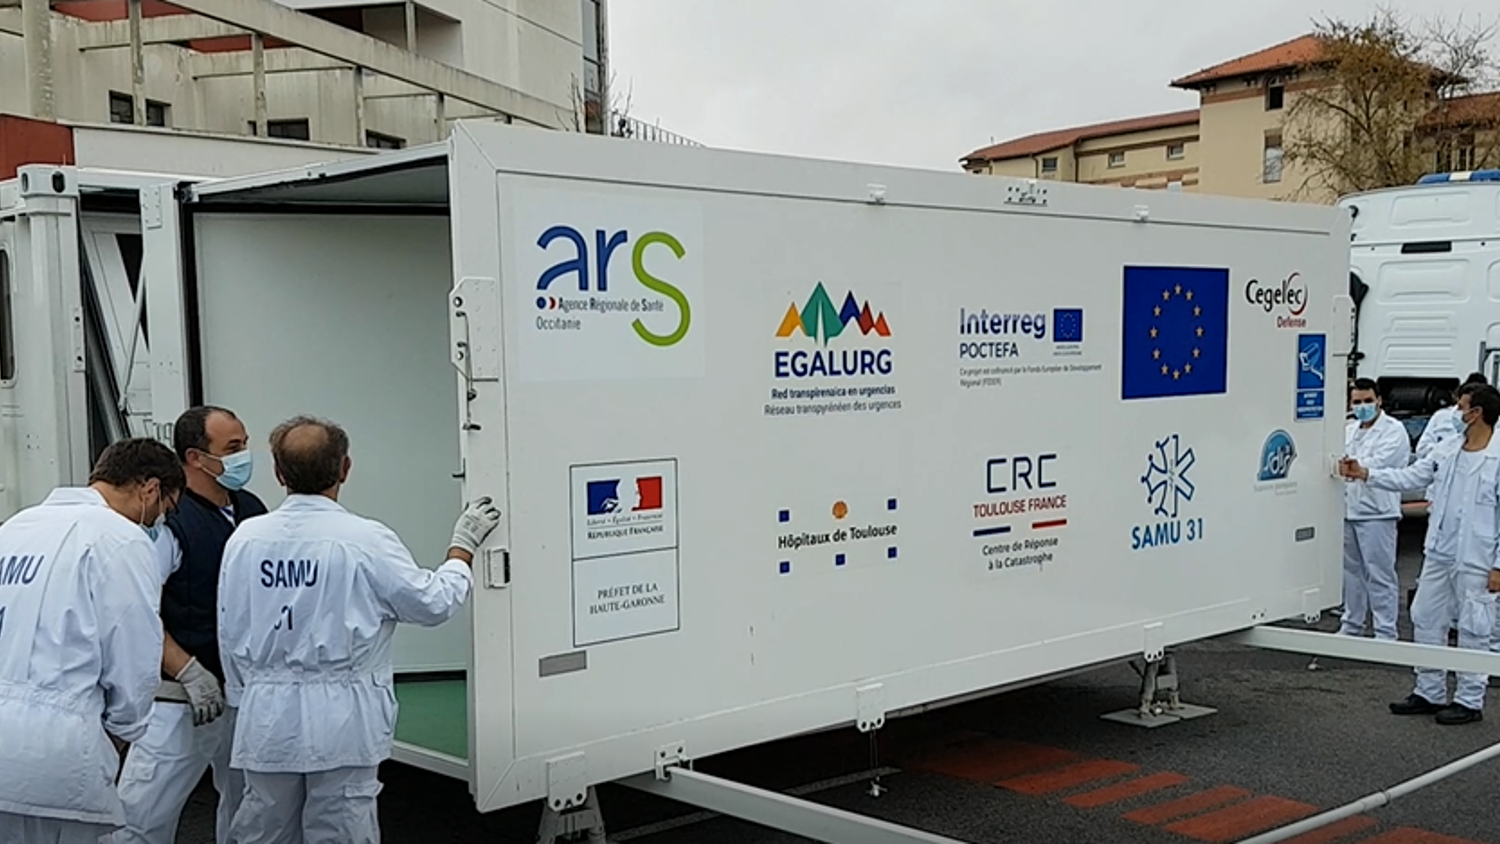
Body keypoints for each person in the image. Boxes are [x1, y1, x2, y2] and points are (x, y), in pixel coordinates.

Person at [218, 415, 502, 843]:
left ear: (278, 473)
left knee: (263, 830)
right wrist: (462, 548)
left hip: (266, 716)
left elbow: (230, 627)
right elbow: (432, 603)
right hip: (343, 718)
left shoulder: (245, 538)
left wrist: (247, 696)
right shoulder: (365, 539)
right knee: (342, 828)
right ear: (345, 468)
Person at [0, 438, 185, 843]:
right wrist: (123, 731)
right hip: (59, 751)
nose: (157, 520)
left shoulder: (16, 527)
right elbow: (135, 656)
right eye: (163, 509)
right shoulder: (121, 539)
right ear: (149, 488)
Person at [114, 407, 269, 844]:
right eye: (233, 448)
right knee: (141, 814)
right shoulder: (171, 525)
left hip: (241, 693)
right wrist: (187, 671)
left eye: (244, 444)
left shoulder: (251, 510)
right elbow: (137, 610)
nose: (244, 456)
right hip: (181, 701)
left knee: (248, 812)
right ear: (196, 458)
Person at [1339, 383, 1500, 725]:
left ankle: (1469, 699)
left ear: (1478, 414)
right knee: (1426, 616)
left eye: (1462, 408)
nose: (1457, 414)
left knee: (1473, 627)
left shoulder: (1497, 457)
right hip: (1440, 551)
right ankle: (1430, 690)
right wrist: (1366, 474)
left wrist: (1499, 566)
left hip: (1478, 556)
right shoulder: (1449, 449)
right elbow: (1412, 475)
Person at [1340, 379, 1411, 641]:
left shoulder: (1394, 430)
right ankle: (1352, 625)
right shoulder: (1349, 430)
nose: (1362, 406)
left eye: (1367, 400)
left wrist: (1352, 468)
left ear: (1379, 400)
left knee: (1380, 573)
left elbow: (1381, 463)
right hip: (1348, 509)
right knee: (1351, 572)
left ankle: (1385, 631)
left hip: (1378, 512)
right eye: (1357, 402)